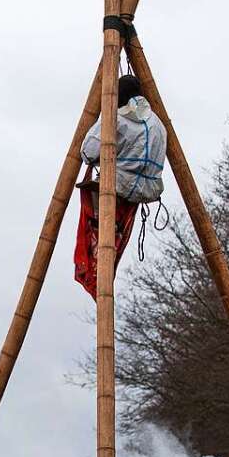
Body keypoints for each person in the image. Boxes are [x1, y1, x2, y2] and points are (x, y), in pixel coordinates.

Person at [73, 74, 166, 298]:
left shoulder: (117, 119)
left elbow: (88, 152)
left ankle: (92, 276)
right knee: (115, 242)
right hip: (145, 191)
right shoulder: (159, 124)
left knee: (97, 243)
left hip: (114, 189)